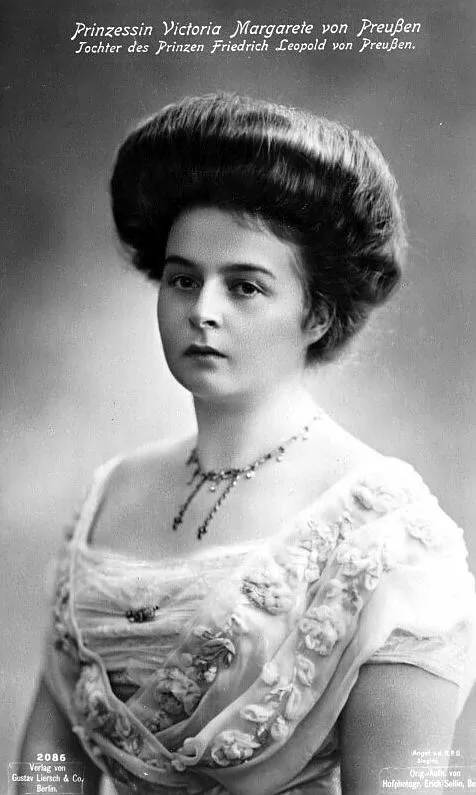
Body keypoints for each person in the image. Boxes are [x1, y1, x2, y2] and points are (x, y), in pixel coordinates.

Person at [17, 93, 476, 795]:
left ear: (317, 314)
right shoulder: (111, 492)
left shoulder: (392, 540)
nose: (202, 310)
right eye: (183, 279)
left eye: (245, 287)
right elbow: (47, 770)